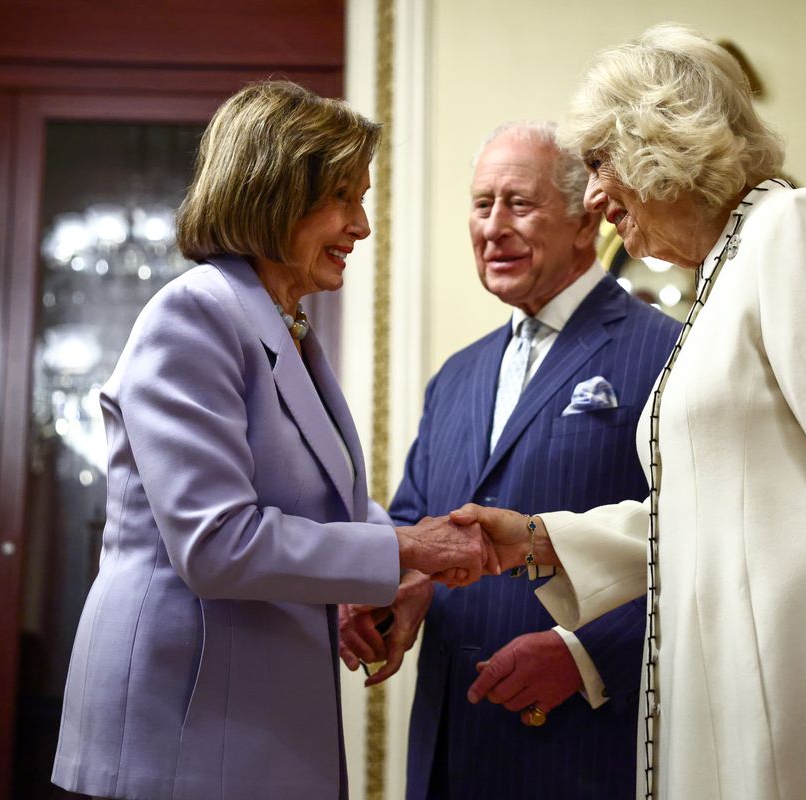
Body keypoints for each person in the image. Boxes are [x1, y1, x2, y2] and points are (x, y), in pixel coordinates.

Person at [457, 25, 806, 800]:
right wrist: (540, 539)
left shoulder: (796, 228)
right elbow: (708, 506)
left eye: (599, 164)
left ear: (657, 144)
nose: (594, 198)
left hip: (796, 690)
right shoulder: (721, 280)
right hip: (722, 686)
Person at [50, 80, 494, 800]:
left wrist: (391, 567)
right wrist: (404, 549)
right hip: (182, 728)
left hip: (245, 717)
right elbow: (216, 543)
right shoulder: (194, 315)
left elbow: (323, 503)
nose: (362, 225)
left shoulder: (283, 324)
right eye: (344, 197)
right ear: (276, 191)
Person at [338, 122, 680, 799]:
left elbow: (698, 549)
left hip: (585, 748)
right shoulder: (456, 377)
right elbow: (418, 523)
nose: (492, 227)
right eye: (481, 203)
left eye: (518, 204)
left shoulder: (666, 352)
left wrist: (588, 658)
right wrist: (399, 590)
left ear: (586, 221)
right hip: (451, 747)